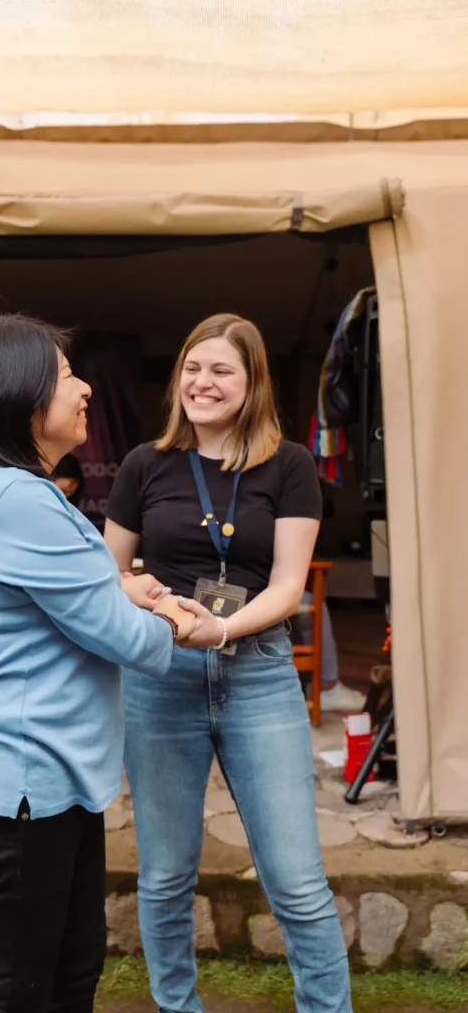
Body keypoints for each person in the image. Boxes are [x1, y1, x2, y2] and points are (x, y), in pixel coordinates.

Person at [0, 313, 215, 1013]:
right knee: (18, 995)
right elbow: (126, 641)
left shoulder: (10, 494)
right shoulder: (16, 501)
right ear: (17, 399)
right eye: (65, 378)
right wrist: (175, 619)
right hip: (22, 791)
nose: (84, 389)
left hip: (52, 788)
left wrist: (120, 589)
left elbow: (63, 601)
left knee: (67, 977)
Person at [105, 313, 352, 1013]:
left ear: (251, 384)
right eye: (191, 367)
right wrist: (150, 598)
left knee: (296, 878)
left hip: (259, 673)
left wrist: (220, 630)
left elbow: (288, 585)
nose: (201, 382)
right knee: (163, 877)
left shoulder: (290, 466)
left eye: (220, 370)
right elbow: (106, 575)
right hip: (159, 676)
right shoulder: (142, 464)